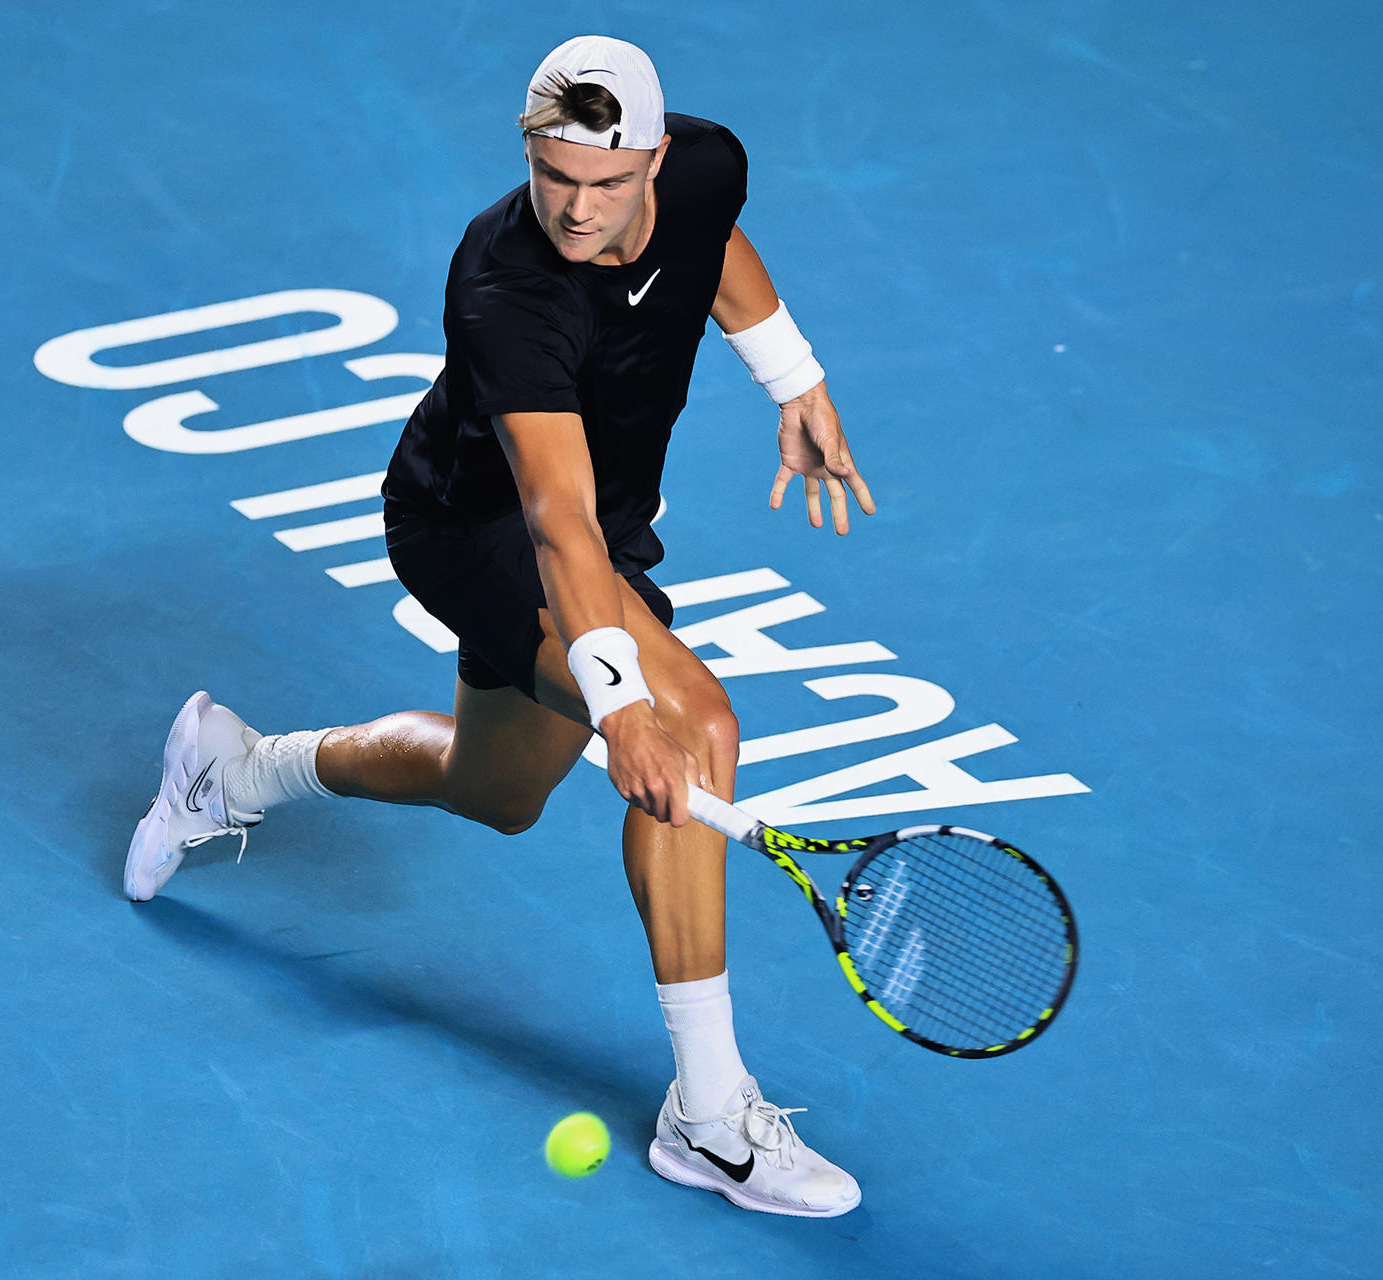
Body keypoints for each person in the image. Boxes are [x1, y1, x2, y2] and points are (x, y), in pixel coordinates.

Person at [124, 35, 876, 1218]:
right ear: (528, 152)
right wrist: (622, 704)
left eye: (608, 181)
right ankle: (711, 1111)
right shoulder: (505, 285)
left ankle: (239, 765)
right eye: (553, 174)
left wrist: (795, 378)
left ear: (656, 158)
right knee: (694, 726)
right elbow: (555, 521)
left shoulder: (705, 170)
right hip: (473, 529)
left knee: (496, 788)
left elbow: (714, 249)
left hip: (597, 531)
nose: (577, 208)